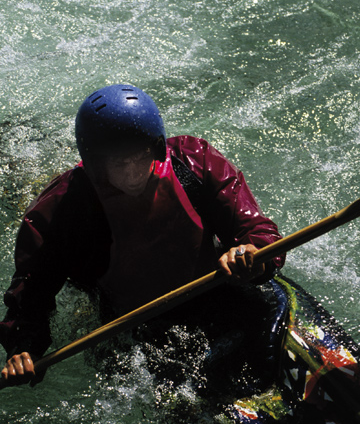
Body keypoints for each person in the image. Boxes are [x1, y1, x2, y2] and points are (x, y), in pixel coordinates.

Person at [0, 84, 285, 388]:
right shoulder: (59, 211)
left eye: (140, 157)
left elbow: (259, 232)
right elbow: (31, 295)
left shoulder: (195, 162)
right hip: (134, 321)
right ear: (97, 165)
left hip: (214, 285)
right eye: (120, 164)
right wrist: (25, 348)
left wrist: (251, 253)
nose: (134, 172)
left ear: (156, 147)